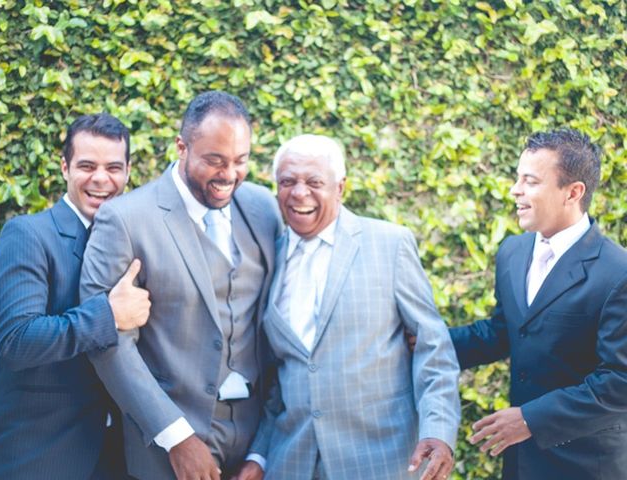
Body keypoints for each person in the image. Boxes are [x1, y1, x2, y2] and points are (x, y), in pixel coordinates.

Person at [80, 91, 283, 480]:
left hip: (255, 449)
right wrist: (175, 438)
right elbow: (108, 344)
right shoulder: (124, 220)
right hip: (167, 452)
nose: (229, 175)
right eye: (214, 161)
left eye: (241, 161)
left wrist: (262, 451)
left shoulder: (262, 208)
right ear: (181, 147)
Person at [237, 134, 460, 480]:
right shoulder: (268, 258)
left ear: (340, 187)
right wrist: (260, 456)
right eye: (287, 182)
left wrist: (438, 431)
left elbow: (434, 348)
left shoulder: (390, 245)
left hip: (381, 462)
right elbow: (280, 377)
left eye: (314, 182)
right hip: (291, 462)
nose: (299, 193)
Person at [450, 128, 627, 479]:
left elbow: (619, 381)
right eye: (518, 179)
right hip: (520, 462)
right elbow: (504, 331)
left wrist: (531, 419)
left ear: (573, 192)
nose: (515, 190)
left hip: (587, 465)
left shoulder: (618, 271)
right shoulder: (512, 252)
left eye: (530, 181)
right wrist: (427, 342)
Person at [0, 113, 151, 479]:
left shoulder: (135, 245)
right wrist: (108, 316)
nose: (100, 179)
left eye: (113, 167)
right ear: (65, 167)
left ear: (127, 172)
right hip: (40, 458)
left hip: (117, 461)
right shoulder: (27, 236)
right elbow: (16, 340)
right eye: (86, 166)